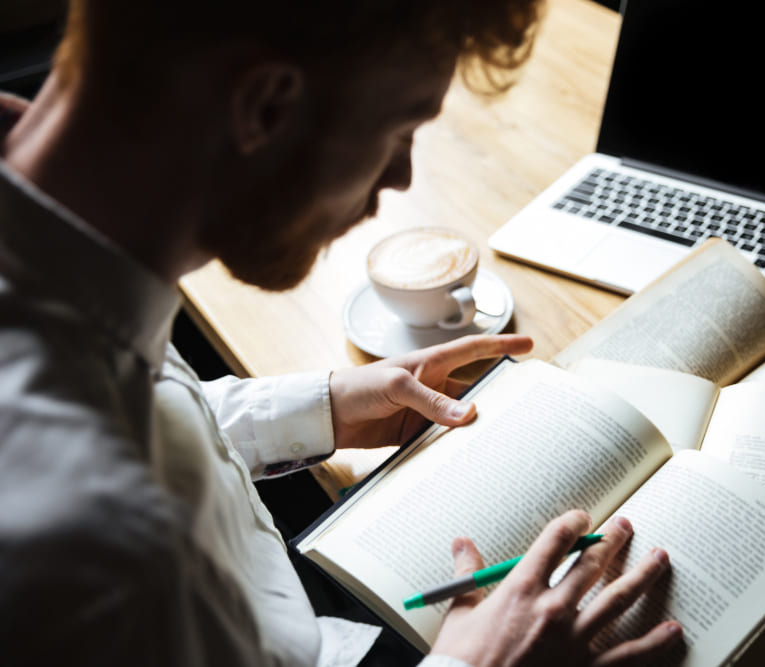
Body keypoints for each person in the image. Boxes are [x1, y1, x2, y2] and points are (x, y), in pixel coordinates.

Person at [0, 1, 684, 665]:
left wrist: (322, 406)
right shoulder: (97, 551)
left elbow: (135, 402)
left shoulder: (68, 247)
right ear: (265, 106)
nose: (401, 176)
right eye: (399, 129)